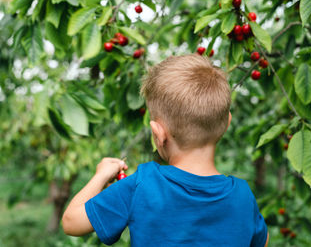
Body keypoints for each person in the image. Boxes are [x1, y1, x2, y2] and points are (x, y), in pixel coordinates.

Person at [62, 54, 269, 246]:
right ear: (227, 123)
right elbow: (262, 241)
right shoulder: (243, 196)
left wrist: (101, 176)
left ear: (158, 134)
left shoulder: (142, 184)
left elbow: (72, 222)